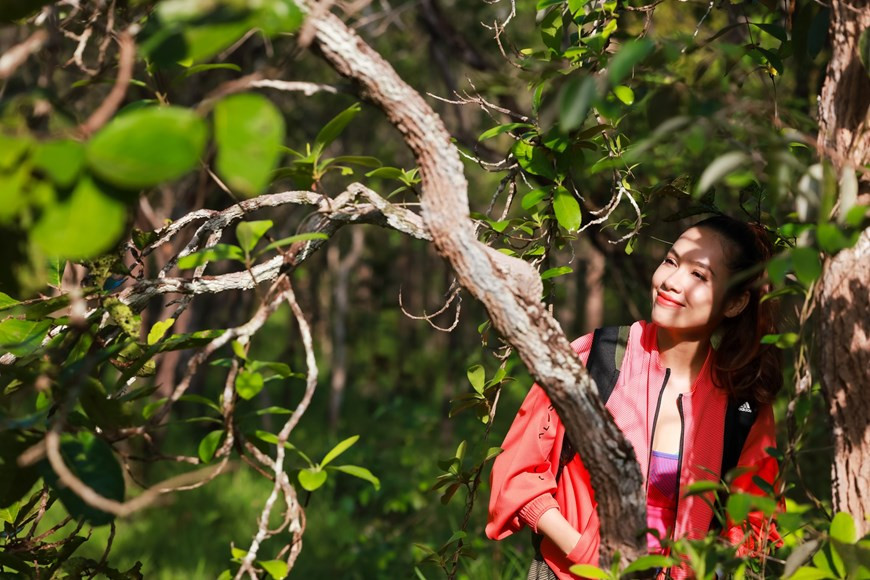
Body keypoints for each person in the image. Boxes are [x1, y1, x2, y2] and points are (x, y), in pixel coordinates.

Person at [486, 215, 783, 579]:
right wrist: (587, 552)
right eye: (671, 262)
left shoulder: (744, 403)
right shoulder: (596, 357)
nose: (671, 282)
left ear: (735, 303)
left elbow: (755, 523)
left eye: (698, 275)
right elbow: (517, 472)